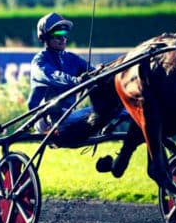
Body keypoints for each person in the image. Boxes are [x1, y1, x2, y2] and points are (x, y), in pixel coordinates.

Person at [28, 12, 120, 146]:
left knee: (116, 107)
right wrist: (77, 81)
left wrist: (102, 74)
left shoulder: (72, 58)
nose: (63, 39)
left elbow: (93, 73)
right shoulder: (39, 61)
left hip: (68, 116)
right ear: (45, 37)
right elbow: (54, 76)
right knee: (98, 111)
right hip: (44, 119)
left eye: (65, 35)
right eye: (58, 35)